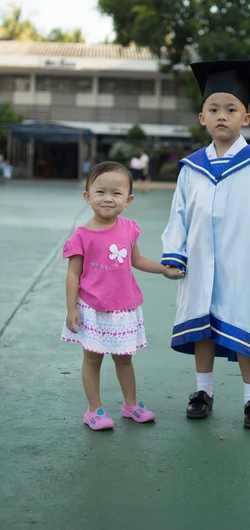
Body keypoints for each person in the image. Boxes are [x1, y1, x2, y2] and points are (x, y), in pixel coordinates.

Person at [161, 59, 250, 429]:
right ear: (202, 117)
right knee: (201, 324)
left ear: (246, 118)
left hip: (241, 262)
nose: (223, 116)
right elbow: (179, 216)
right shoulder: (191, 169)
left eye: (232, 109)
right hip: (200, 261)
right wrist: (175, 253)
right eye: (214, 109)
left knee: (242, 322)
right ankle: (202, 391)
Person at [62, 161, 183, 431]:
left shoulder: (128, 228)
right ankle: (93, 410)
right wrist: (72, 309)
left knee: (124, 359)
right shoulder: (82, 235)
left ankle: (131, 404)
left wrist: (163, 270)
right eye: (100, 192)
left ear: (128, 199)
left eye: (116, 193)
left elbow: (136, 260)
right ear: (87, 197)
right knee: (92, 358)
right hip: (92, 308)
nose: (108, 198)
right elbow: (73, 275)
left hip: (123, 308)